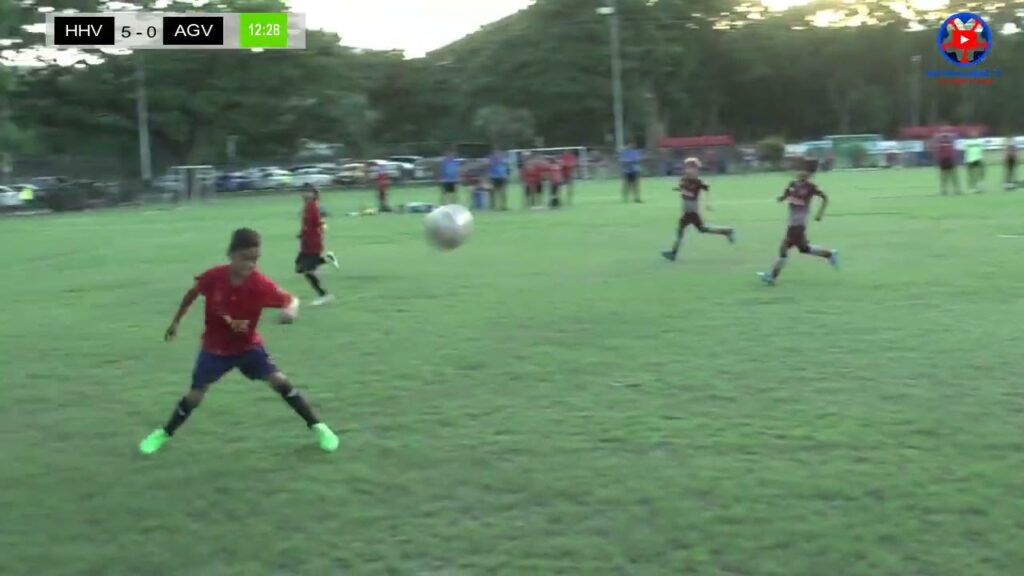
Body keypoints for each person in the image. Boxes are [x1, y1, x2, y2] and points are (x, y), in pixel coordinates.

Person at [138, 228, 340, 455]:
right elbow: (192, 293)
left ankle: (319, 427)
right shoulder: (214, 277)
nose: (250, 265)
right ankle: (163, 433)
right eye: (245, 259)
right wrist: (175, 323)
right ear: (231, 254)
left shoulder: (260, 285)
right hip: (214, 349)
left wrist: (291, 310)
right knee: (194, 396)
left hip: (247, 347)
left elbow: (290, 299)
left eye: (255, 260)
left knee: (280, 381)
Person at [758, 158, 840, 285]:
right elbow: (786, 194)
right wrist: (782, 197)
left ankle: (772, 276)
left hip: (798, 223)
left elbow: (824, 198)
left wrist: (820, 213)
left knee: (783, 249)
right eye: (799, 169)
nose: (799, 172)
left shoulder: (810, 187)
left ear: (810, 174)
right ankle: (829, 254)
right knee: (803, 248)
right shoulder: (792, 184)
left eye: (803, 170)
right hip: (792, 221)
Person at [661, 158, 735, 262]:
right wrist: (678, 189)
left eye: (691, 169)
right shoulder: (684, 180)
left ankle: (673, 253)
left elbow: (704, 190)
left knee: (683, 230)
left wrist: (708, 203)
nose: (688, 171)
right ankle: (727, 231)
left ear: (695, 170)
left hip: (692, 212)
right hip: (687, 211)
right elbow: (682, 188)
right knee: (702, 229)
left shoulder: (698, 182)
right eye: (687, 168)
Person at [296, 184, 338, 306]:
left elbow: (316, 222)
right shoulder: (308, 206)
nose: (305, 194)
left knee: (308, 270)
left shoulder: (312, 206)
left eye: (308, 192)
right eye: (304, 192)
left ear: (314, 194)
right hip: (306, 242)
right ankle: (326, 259)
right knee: (300, 268)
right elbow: (311, 224)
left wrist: (320, 226)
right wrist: (301, 233)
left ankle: (324, 295)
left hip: (312, 243)